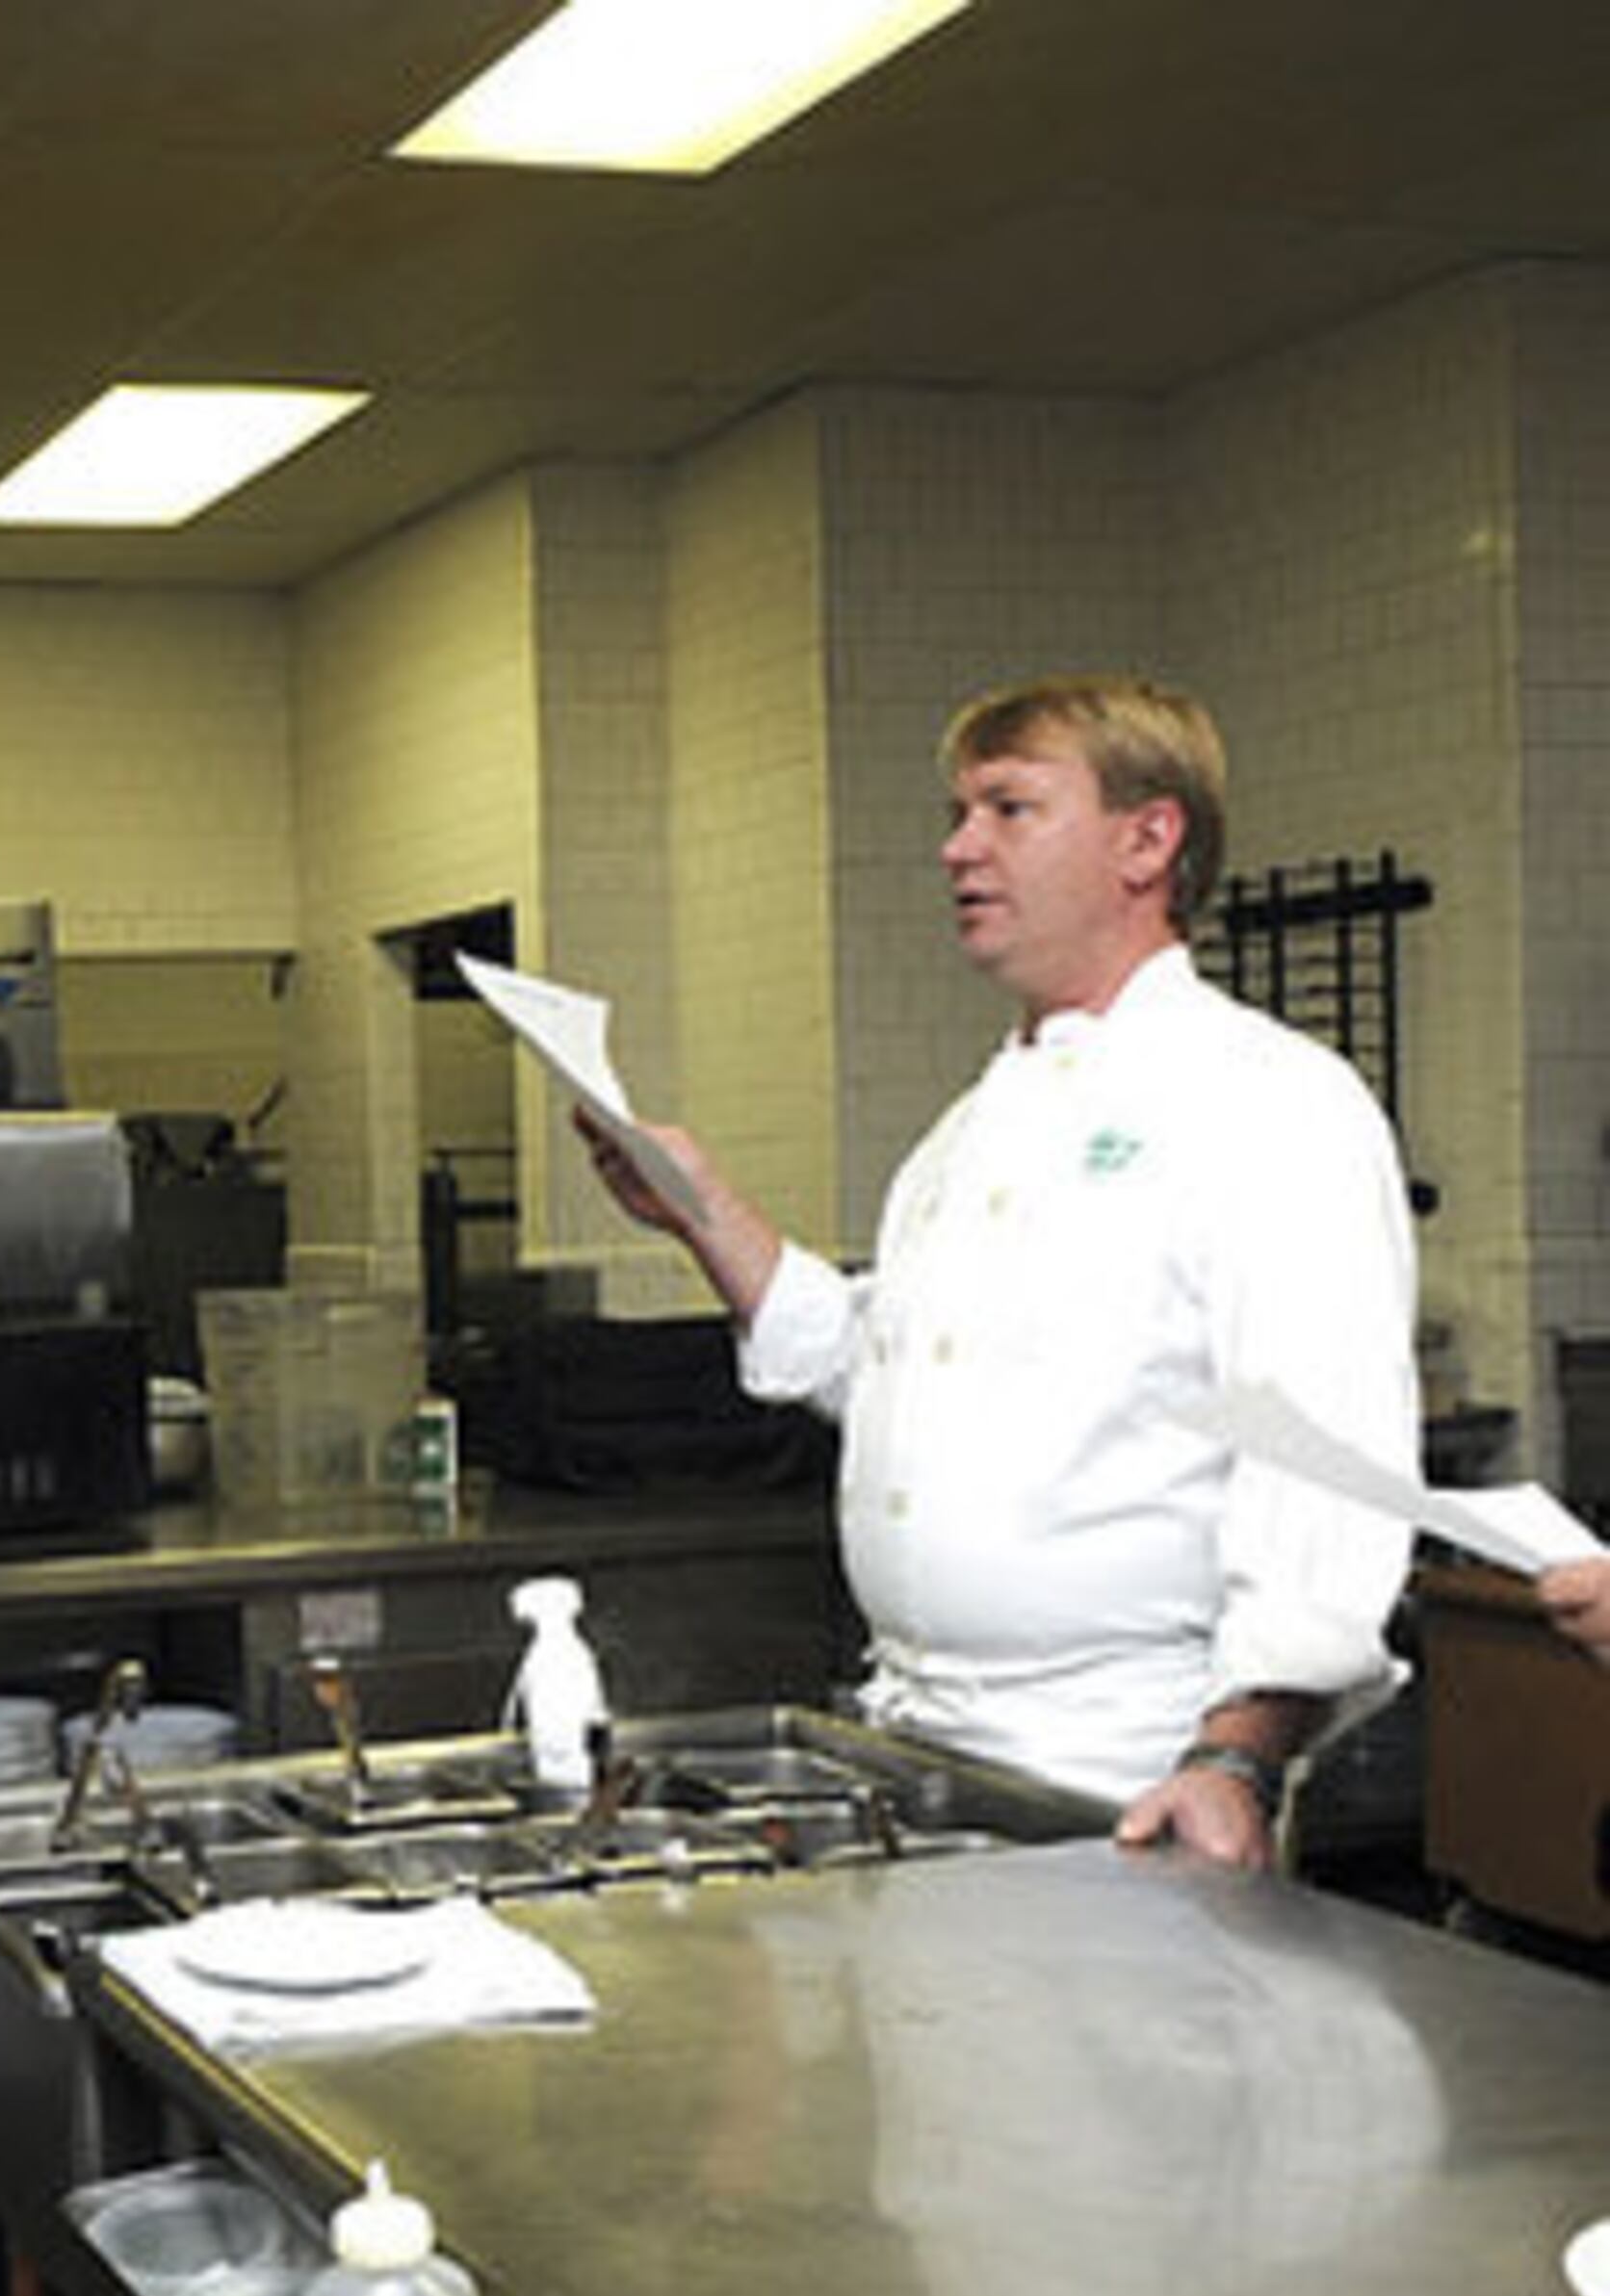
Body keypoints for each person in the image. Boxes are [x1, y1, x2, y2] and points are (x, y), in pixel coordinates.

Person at [584, 676, 1416, 1870]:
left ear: (1148, 839)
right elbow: (888, 1374)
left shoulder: (1269, 1103)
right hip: (924, 1749)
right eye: (958, 813)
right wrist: (705, 1214)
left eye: (1009, 808)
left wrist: (1236, 1758)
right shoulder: (967, 1133)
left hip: (1134, 1762)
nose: (958, 848)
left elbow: (1325, 1457)